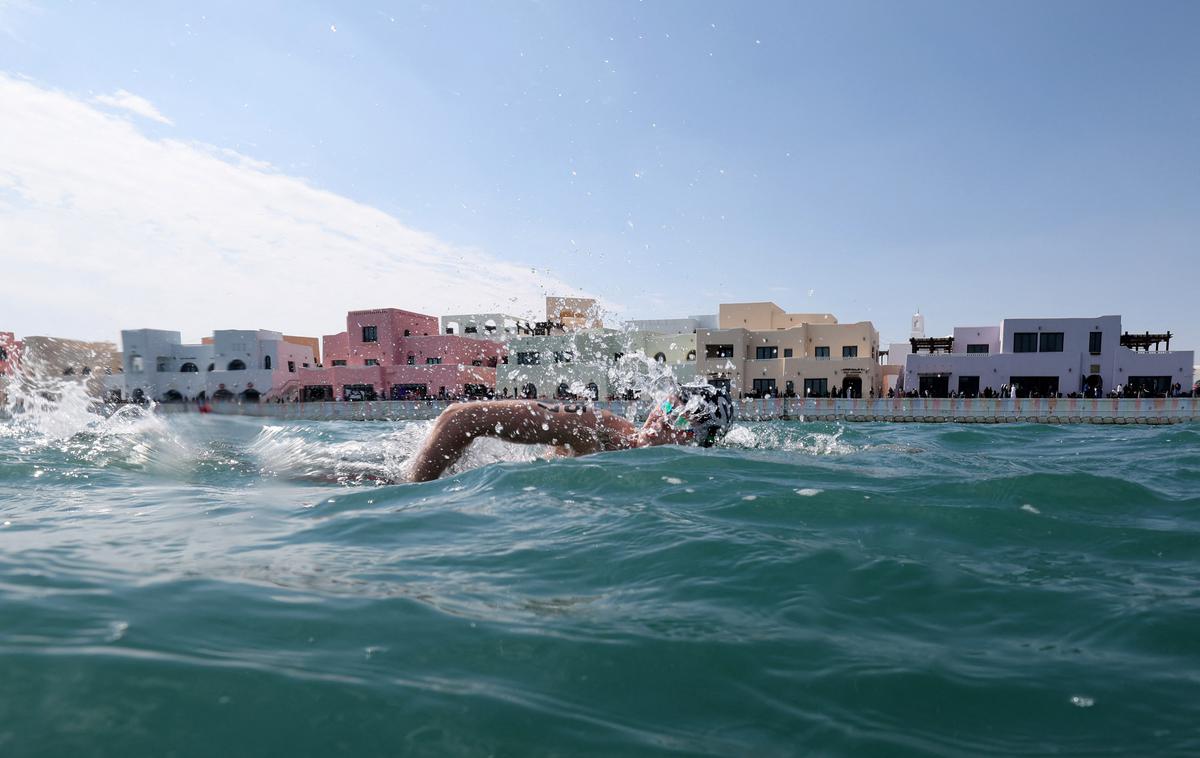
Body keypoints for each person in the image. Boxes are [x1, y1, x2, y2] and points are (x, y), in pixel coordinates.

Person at [408, 381, 734, 482]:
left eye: (682, 421)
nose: (662, 421)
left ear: (699, 443)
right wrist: (414, 493)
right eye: (666, 408)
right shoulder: (592, 427)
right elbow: (458, 418)